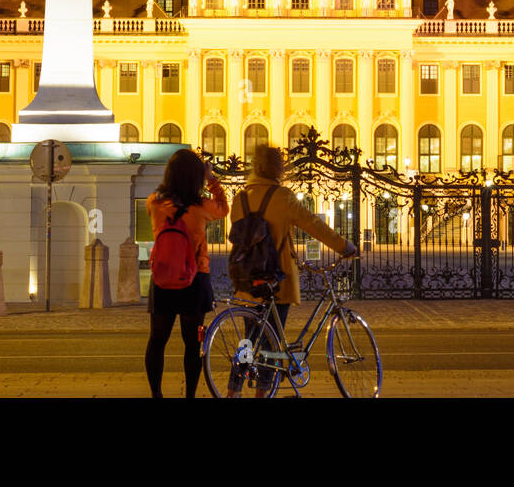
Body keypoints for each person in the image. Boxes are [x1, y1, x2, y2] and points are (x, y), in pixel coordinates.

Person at [226, 145, 357, 397]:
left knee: (248, 341)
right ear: (278, 168)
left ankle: (233, 390)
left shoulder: (239, 199)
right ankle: (262, 394)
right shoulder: (282, 197)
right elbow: (315, 225)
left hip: (245, 280)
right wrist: (344, 246)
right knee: (272, 341)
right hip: (275, 280)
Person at [144, 149, 228, 398]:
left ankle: (156, 394)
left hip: (163, 277)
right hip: (195, 278)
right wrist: (212, 179)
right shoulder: (201, 207)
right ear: (196, 176)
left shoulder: (154, 203)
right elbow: (224, 208)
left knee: (157, 340)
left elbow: (157, 201)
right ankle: (189, 395)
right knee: (192, 344)